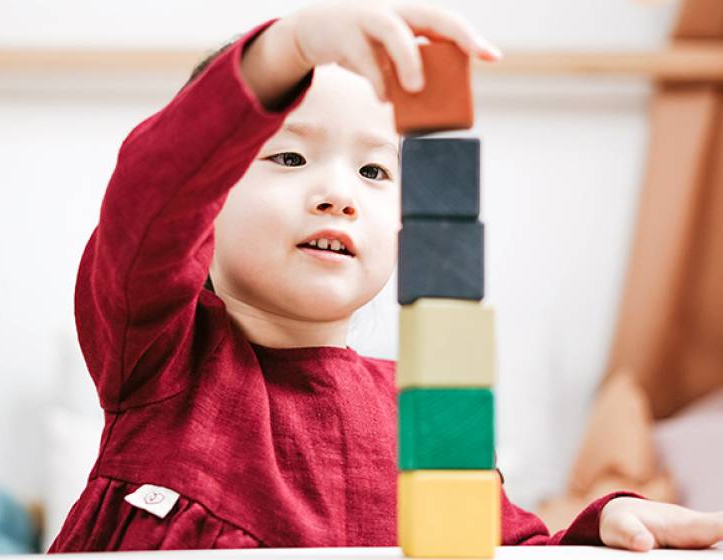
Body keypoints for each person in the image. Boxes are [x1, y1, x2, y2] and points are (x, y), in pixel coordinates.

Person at [49, 3, 723, 552]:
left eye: (374, 172)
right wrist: (292, 47)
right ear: (208, 199)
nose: (339, 194)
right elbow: (150, 194)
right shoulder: (159, 360)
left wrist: (592, 533)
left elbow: (497, 542)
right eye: (288, 156)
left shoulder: (420, 404)